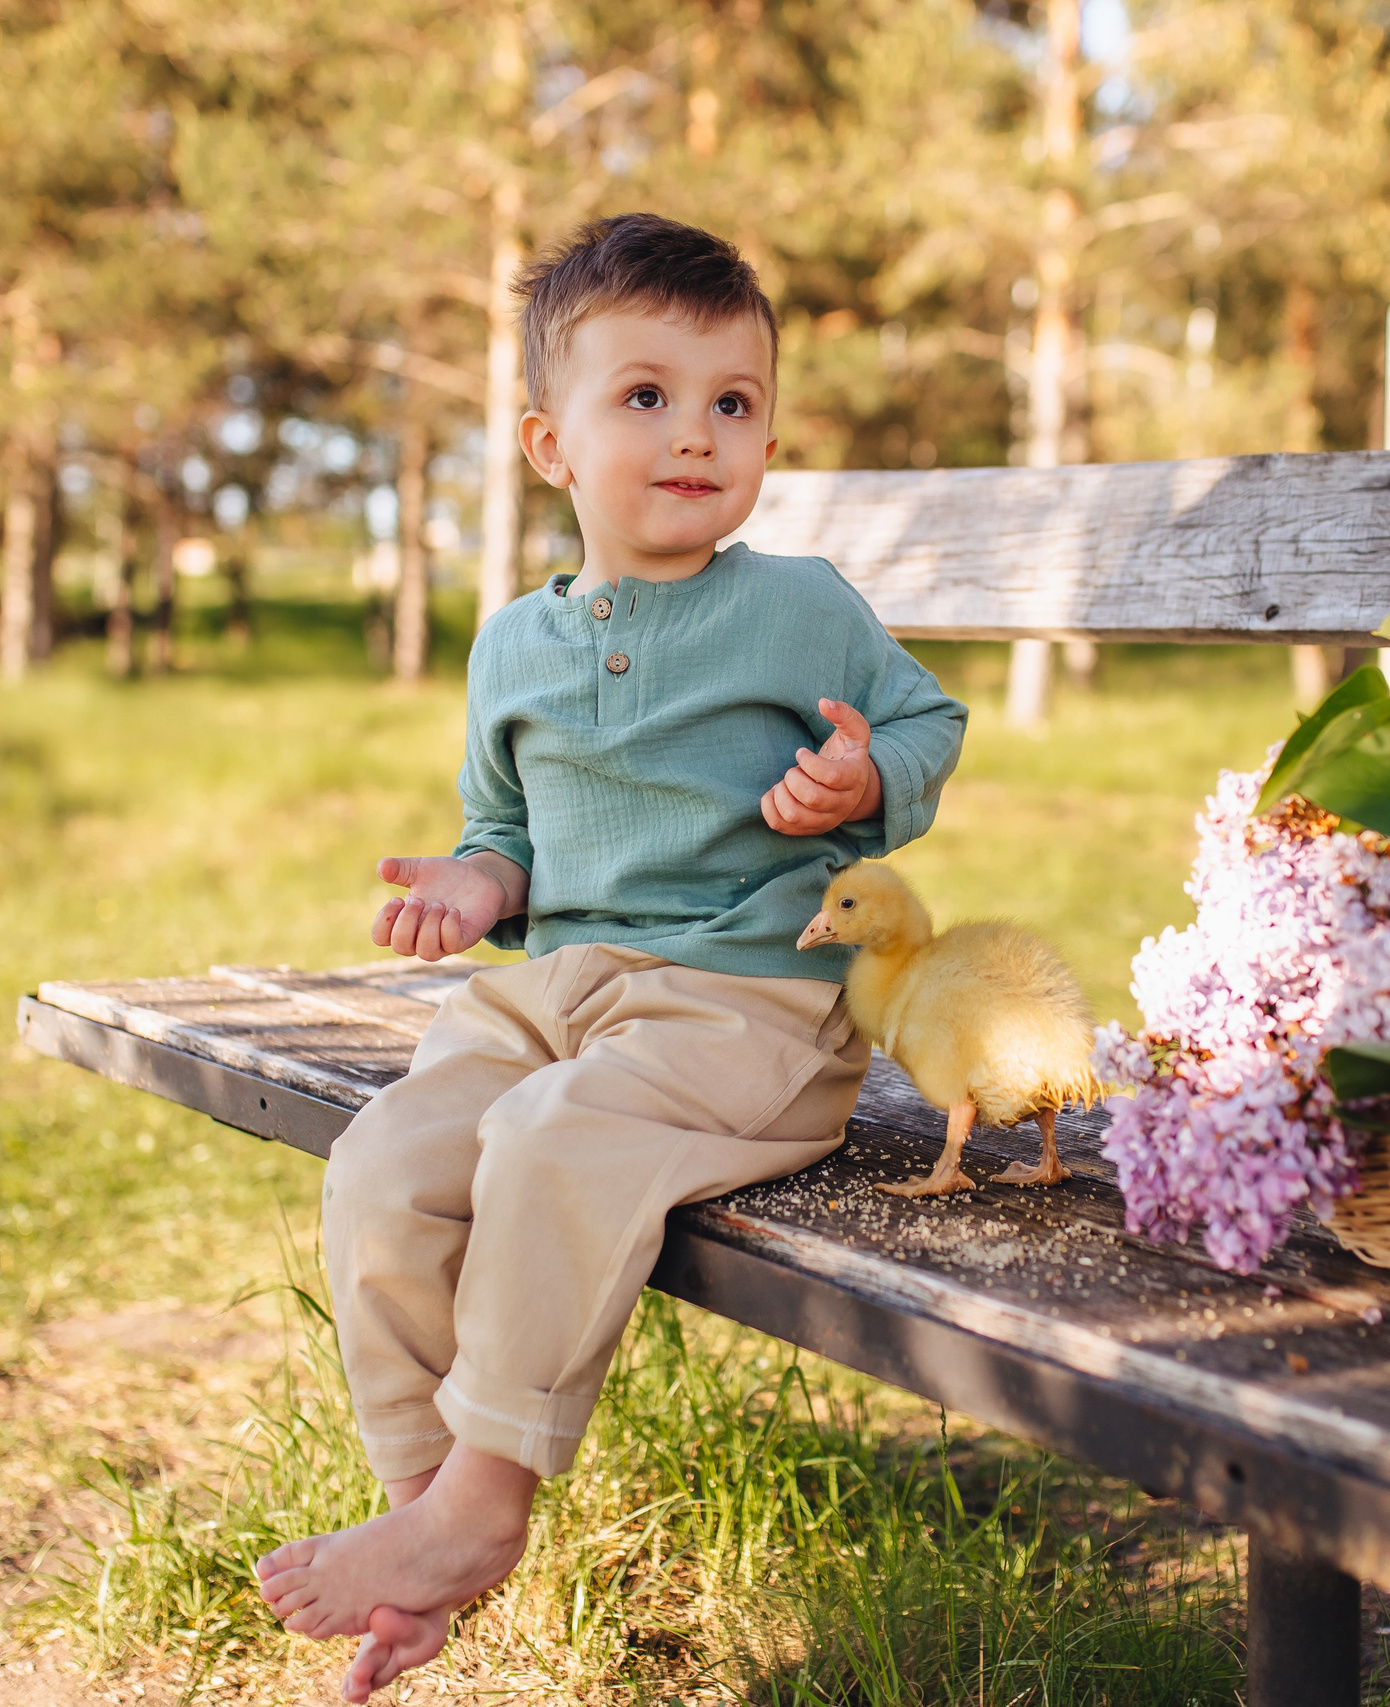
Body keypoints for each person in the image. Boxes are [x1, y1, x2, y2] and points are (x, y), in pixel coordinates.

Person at [253, 212, 967, 1697]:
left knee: (549, 1139)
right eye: (645, 396)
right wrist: (469, 883)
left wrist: (863, 782)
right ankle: (426, 1503)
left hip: (747, 1004)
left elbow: (927, 724)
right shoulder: (510, 645)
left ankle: (483, 1507)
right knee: (385, 1164)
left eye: (734, 402)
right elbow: (505, 833)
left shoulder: (801, 609)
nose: (696, 433)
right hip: (550, 994)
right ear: (549, 444)